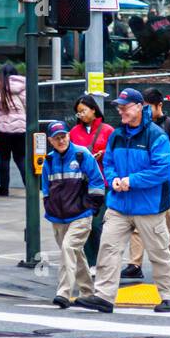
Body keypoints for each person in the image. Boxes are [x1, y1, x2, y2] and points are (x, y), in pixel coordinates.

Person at [74, 87, 170, 315]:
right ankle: (103, 296)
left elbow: (162, 170)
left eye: (125, 106)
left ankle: (169, 297)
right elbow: (108, 163)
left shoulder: (156, 135)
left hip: (149, 206)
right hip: (120, 204)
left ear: (139, 107)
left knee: (159, 252)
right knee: (108, 249)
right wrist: (113, 181)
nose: (120, 110)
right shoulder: (117, 135)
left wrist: (129, 181)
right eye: (119, 107)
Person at [42, 120, 105, 309]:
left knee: (68, 249)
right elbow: (45, 188)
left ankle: (63, 293)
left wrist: (92, 208)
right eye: (57, 138)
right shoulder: (49, 160)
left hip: (80, 214)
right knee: (75, 254)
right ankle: (87, 292)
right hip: (58, 217)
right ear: (50, 140)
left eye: (64, 136)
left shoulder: (82, 154)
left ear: (69, 136)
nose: (61, 140)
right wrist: (49, 206)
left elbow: (97, 181)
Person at [121, 88, 170, 281]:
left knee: (166, 228)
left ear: (159, 106)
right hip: (140, 186)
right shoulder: (137, 127)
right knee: (137, 227)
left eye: (147, 107)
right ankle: (134, 264)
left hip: (163, 187)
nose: (143, 111)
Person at [69, 93, 114, 269]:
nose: (81, 115)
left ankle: (102, 262)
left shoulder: (108, 130)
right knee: (83, 224)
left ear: (94, 110)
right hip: (80, 184)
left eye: (83, 111)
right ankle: (91, 263)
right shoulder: (73, 132)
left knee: (98, 225)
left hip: (102, 184)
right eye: (78, 113)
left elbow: (114, 156)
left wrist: (103, 154)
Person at [0, 62, 27, 196]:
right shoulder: (25, 87)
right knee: (21, 158)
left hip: (3, 130)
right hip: (21, 129)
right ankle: (31, 187)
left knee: (4, 159)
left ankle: (4, 189)